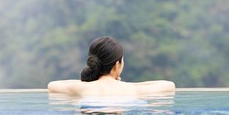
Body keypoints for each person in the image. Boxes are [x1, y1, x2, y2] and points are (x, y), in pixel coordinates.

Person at [47, 37, 175, 96]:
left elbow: (51, 85)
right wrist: (127, 84)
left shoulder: (81, 88)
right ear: (117, 64)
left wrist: (85, 83)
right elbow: (169, 85)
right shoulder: (131, 90)